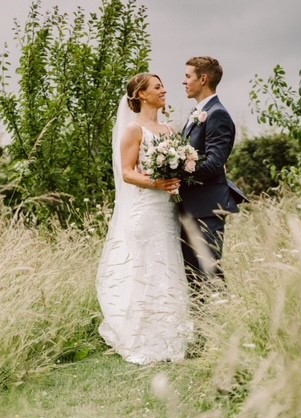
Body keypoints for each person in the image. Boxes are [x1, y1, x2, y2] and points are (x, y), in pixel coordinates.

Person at [96, 73, 193, 365]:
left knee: (167, 264)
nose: (164, 90)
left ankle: (171, 336)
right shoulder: (133, 129)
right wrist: (156, 183)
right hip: (145, 208)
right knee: (146, 267)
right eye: (157, 87)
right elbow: (127, 172)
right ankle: (141, 336)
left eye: (163, 85)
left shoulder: (170, 129)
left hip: (166, 209)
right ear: (140, 94)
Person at [179, 56, 245, 296]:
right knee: (192, 275)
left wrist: (176, 170)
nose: (184, 81)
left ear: (203, 79)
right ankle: (201, 330)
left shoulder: (217, 114)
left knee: (210, 272)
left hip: (208, 207)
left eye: (188, 76)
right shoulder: (197, 112)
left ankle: (225, 325)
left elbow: (215, 163)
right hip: (190, 207)